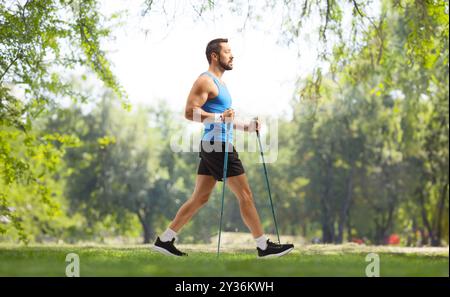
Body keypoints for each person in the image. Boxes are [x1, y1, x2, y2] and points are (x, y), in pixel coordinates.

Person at [153, 38, 294, 258]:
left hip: (214, 145)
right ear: (214, 56)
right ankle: (263, 246)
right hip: (218, 147)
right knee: (245, 195)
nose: (232, 56)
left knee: (200, 197)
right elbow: (190, 112)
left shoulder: (222, 85)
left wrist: (248, 127)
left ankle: (165, 239)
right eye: (227, 52)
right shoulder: (205, 81)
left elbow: (225, 120)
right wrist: (220, 116)